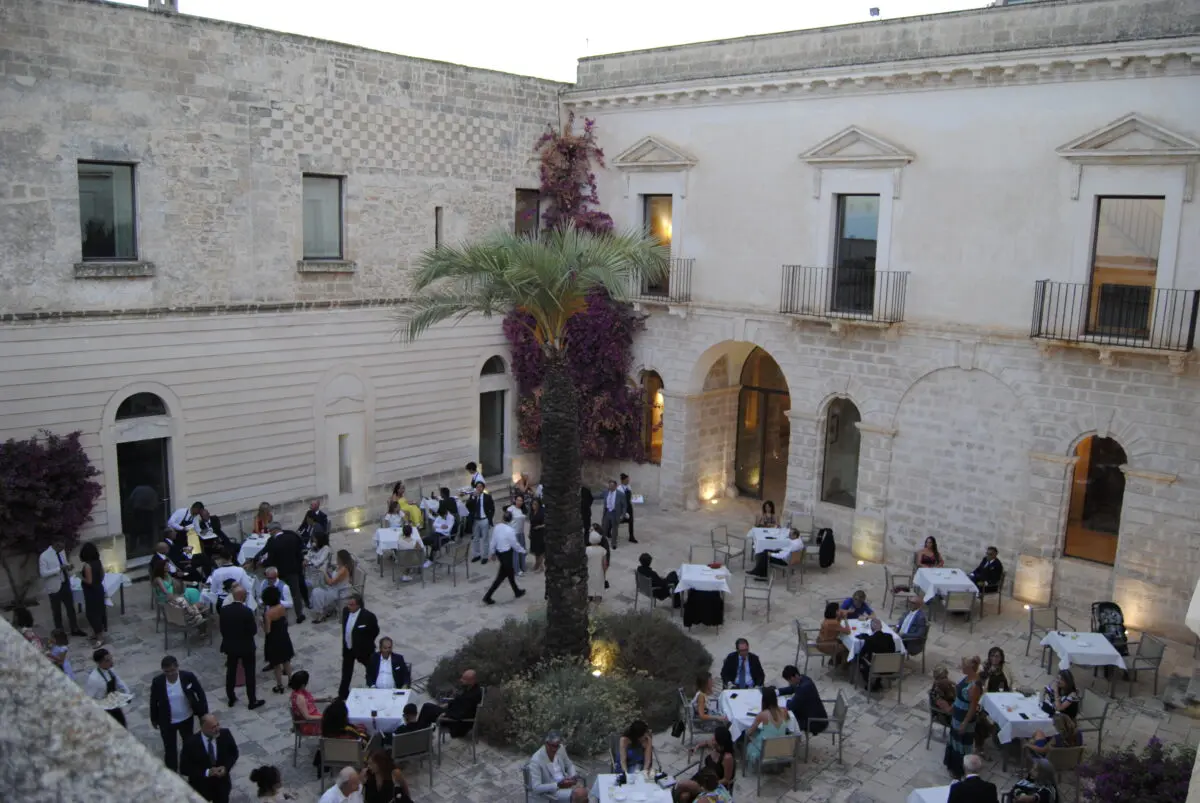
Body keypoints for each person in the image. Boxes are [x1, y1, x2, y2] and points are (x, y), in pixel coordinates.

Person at [149, 654, 209, 772]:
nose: (170, 674)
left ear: (177, 667)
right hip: (167, 721)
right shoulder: (158, 682)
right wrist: (154, 719)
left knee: (188, 745)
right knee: (170, 748)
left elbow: (200, 693)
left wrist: (204, 713)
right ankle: (172, 772)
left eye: (173, 670)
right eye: (167, 672)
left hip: (186, 718)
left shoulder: (188, 676)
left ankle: (189, 768)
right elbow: (153, 701)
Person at [218, 586, 264, 709]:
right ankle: (252, 700)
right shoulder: (246, 611)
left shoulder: (224, 610)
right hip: (246, 646)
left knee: (231, 672)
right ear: (242, 596)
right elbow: (253, 631)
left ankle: (231, 697)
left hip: (231, 646)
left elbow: (222, 629)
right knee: (249, 673)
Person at [180, 713, 239, 803]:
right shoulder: (190, 743)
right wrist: (207, 772)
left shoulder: (225, 734)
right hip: (201, 788)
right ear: (203, 728)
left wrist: (225, 767)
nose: (217, 729)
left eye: (217, 725)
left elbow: (233, 754)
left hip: (222, 786)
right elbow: (184, 768)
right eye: (213, 727)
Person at [256, 526, 306, 621]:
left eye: (270, 531)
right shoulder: (292, 537)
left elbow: (270, 560)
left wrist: (262, 563)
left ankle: (281, 615)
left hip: (280, 572)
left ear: (274, 530)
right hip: (293, 570)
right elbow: (299, 553)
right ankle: (299, 614)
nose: (270, 534)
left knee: (280, 593)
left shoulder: (273, 543)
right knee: (296, 593)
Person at [944, 655, 983, 778]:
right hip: (957, 714)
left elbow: (973, 706)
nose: (961, 667)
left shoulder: (974, 686)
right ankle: (953, 766)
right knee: (954, 740)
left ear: (970, 667)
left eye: (964, 666)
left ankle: (962, 770)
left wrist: (964, 723)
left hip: (964, 717)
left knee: (963, 743)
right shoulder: (966, 678)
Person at [38, 539, 85, 637]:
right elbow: (43, 573)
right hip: (54, 587)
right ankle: (60, 633)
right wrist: (59, 569)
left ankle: (74, 628)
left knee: (70, 608)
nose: (63, 548)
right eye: (61, 546)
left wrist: (68, 567)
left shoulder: (61, 551)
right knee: (57, 611)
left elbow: (64, 563)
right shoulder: (44, 556)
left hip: (65, 583)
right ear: (56, 544)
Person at [338, 593, 380, 699]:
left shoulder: (368, 616)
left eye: (352, 605)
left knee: (371, 668)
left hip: (364, 650)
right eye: (348, 604)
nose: (349, 606)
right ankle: (342, 694)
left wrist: (365, 642)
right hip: (348, 648)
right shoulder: (345, 611)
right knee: (346, 672)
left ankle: (373, 688)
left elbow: (375, 631)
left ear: (358, 605)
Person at [417, 669, 482, 736]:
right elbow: (459, 701)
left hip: (455, 723)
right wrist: (448, 704)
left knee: (427, 710)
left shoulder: (473, 696)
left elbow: (462, 714)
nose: (461, 680)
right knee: (427, 707)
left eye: (464, 679)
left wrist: (445, 715)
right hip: (451, 712)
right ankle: (423, 732)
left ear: (472, 681)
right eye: (462, 678)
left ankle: (420, 734)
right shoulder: (471, 688)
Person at [676, 726, 736, 799]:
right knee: (683, 795)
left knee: (682, 786)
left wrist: (710, 786)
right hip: (703, 776)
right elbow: (706, 743)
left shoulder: (727, 758)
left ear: (720, 742)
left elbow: (726, 779)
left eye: (714, 737)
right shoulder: (715, 745)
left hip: (714, 784)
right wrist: (696, 747)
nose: (712, 738)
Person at [482, 510, 527, 605]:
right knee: (501, 577)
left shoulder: (497, 527)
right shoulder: (510, 530)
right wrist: (523, 551)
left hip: (500, 553)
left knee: (510, 573)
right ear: (511, 520)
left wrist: (492, 553)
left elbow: (493, 541)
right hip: (507, 554)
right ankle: (487, 596)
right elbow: (514, 544)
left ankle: (516, 591)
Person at [528, 731, 581, 801]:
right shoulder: (536, 760)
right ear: (546, 744)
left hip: (565, 782)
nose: (555, 749)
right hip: (552, 790)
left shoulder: (560, 748)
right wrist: (558, 785)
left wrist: (573, 776)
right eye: (552, 746)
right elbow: (536, 788)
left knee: (583, 794)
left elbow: (569, 765)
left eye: (557, 746)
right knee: (580, 796)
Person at [744, 686, 789, 767]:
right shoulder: (784, 711)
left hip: (766, 749)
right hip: (781, 747)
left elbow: (749, 732)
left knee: (749, 735)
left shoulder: (763, 714)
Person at [261, 585, 294, 694]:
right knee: (286, 661)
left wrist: (262, 624)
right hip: (284, 636)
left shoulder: (268, 613)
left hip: (273, 640)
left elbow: (267, 630)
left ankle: (279, 685)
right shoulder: (282, 607)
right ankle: (291, 680)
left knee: (276, 664)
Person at [85, 648, 130, 726]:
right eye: (107, 660)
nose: (111, 662)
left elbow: (119, 681)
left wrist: (127, 694)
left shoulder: (110, 670)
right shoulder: (94, 679)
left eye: (110, 658)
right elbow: (89, 698)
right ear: (100, 663)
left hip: (114, 705)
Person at [779, 666, 828, 734]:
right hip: (810, 714)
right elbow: (791, 688)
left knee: (787, 724)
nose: (790, 683)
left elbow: (791, 706)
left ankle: (792, 741)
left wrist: (779, 702)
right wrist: (777, 692)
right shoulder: (804, 678)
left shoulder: (804, 688)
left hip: (815, 722)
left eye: (790, 680)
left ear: (795, 676)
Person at [310, 549, 355, 623]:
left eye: (338, 558)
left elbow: (331, 582)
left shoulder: (343, 570)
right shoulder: (339, 566)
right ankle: (321, 612)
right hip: (334, 588)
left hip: (339, 591)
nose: (336, 559)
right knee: (317, 590)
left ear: (341, 559)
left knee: (317, 592)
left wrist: (324, 572)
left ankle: (321, 614)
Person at [77, 541, 108, 647]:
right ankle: (96, 633)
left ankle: (100, 637)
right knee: (99, 611)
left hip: (92, 592)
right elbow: (103, 575)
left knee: (92, 614)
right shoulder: (98, 562)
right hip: (99, 589)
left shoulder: (87, 565)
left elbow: (89, 581)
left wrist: (80, 577)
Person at [856, 618, 896, 688]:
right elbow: (893, 651)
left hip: (873, 667)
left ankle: (868, 683)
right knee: (882, 657)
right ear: (881, 626)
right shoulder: (889, 637)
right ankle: (878, 682)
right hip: (888, 667)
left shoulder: (870, 639)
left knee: (859, 658)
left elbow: (862, 653)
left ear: (872, 628)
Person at [288, 671, 329, 736]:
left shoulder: (297, 692)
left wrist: (325, 699)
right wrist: (325, 718)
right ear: (303, 685)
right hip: (310, 724)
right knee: (334, 723)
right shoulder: (300, 698)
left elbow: (309, 700)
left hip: (314, 719)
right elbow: (308, 717)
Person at [466, 480, 495, 564]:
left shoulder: (487, 497)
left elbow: (492, 508)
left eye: (480, 487)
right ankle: (477, 555)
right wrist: (473, 497)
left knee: (485, 539)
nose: (479, 488)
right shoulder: (473, 496)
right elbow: (468, 506)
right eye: (477, 487)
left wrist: (489, 519)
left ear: (483, 488)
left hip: (484, 519)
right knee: (475, 538)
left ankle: (485, 556)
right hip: (475, 520)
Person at [816, 602, 851, 666]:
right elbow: (848, 631)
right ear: (834, 612)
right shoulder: (833, 623)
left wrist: (840, 616)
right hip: (826, 645)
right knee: (848, 647)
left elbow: (837, 624)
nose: (840, 611)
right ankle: (843, 666)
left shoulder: (828, 619)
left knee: (842, 641)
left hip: (821, 641)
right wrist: (845, 618)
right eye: (838, 610)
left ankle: (835, 660)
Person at [600, 479, 628, 550]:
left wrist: (623, 514)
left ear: (615, 486)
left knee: (615, 529)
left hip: (615, 513)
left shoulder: (620, 494)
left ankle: (613, 543)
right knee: (604, 528)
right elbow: (598, 496)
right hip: (607, 513)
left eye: (612, 486)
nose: (610, 487)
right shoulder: (606, 492)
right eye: (609, 485)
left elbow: (624, 505)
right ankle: (603, 542)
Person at [506, 493, 529, 575]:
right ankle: (516, 569)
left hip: (521, 533)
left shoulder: (523, 510)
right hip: (513, 533)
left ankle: (522, 566)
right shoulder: (510, 509)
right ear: (515, 500)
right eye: (518, 500)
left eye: (521, 501)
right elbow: (506, 520)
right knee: (515, 552)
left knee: (522, 549)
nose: (519, 502)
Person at [585, 530, 608, 602]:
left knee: (589, 584)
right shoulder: (603, 550)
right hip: (599, 572)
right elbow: (604, 564)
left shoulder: (586, 549)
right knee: (599, 586)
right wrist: (604, 573)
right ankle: (598, 599)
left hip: (589, 571)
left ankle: (589, 597)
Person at [619, 473, 638, 544]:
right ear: (622, 481)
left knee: (631, 521)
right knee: (620, 520)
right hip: (623, 507)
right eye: (627, 480)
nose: (628, 481)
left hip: (629, 506)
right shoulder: (619, 488)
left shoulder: (629, 486)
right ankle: (609, 529)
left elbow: (630, 497)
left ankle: (631, 536)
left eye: (628, 480)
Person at [529, 497, 547, 572]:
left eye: (535, 504)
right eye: (533, 504)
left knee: (541, 550)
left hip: (541, 532)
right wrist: (530, 532)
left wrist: (539, 526)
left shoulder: (542, 512)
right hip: (534, 533)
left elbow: (546, 523)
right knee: (535, 550)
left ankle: (540, 565)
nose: (534, 506)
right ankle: (537, 564)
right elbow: (531, 523)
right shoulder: (532, 512)